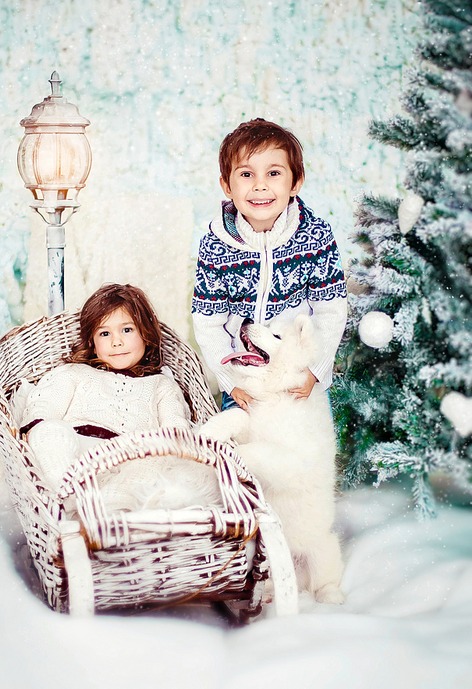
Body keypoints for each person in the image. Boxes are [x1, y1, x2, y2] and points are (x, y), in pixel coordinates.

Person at [192, 118, 347, 411]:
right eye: (246, 174)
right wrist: (229, 381)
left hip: (298, 373)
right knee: (243, 437)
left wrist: (314, 371)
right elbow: (208, 321)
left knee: (305, 438)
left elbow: (330, 311)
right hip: (245, 377)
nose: (260, 185)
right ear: (227, 186)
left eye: (273, 173)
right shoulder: (215, 246)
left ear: (295, 183)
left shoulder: (315, 237)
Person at [20, 283, 193, 494]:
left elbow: (176, 430)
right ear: (92, 343)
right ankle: (69, 495)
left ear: (146, 335)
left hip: (131, 460)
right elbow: (45, 405)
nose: (116, 342)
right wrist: (37, 428)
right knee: (49, 431)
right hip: (78, 452)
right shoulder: (75, 373)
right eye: (104, 333)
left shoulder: (161, 385)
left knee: (158, 465)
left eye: (127, 330)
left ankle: (111, 504)